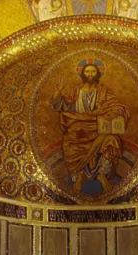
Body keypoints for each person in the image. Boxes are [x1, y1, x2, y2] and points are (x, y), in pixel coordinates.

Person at [52, 60, 130, 193]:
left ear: (98, 73)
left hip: (98, 126)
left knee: (112, 140)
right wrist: (58, 93)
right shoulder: (75, 91)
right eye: (87, 71)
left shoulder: (103, 91)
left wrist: (113, 113)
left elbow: (116, 105)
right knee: (70, 141)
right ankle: (80, 175)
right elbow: (61, 106)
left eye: (93, 71)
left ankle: (102, 175)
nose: (90, 74)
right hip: (78, 125)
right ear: (82, 74)